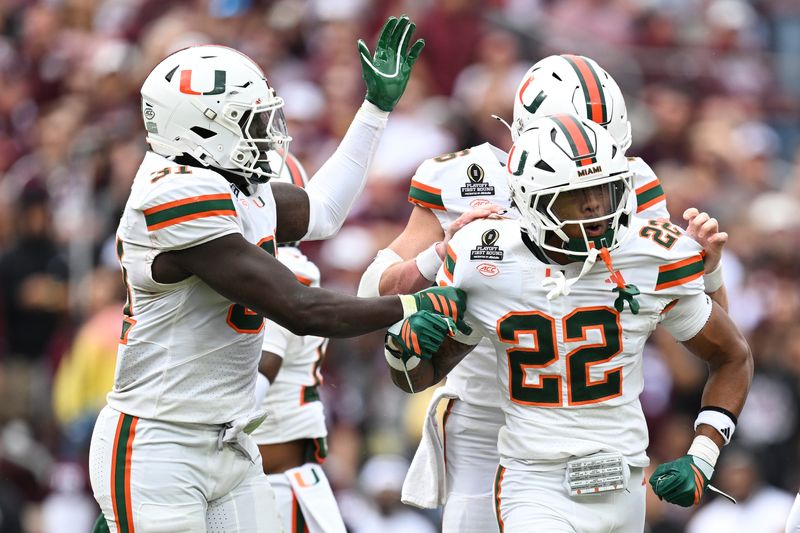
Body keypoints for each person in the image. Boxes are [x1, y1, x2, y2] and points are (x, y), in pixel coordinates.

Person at [88, 16, 467, 532]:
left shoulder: (227, 185)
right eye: (249, 120)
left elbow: (323, 212)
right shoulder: (173, 194)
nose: (266, 133)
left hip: (232, 438)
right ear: (200, 128)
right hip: (161, 443)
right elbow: (299, 307)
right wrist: (411, 306)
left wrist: (375, 110)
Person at [357, 54, 729, 533]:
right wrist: (439, 254)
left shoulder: (627, 182)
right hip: (483, 407)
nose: (593, 167)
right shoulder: (463, 177)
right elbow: (373, 295)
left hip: (586, 408)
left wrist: (706, 273)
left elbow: (711, 332)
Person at [248, 152, 346, 533]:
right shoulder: (273, 266)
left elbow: (262, 371)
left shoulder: (282, 270)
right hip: (267, 481)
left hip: (275, 488)